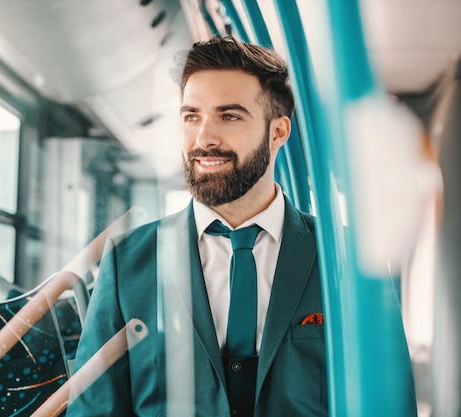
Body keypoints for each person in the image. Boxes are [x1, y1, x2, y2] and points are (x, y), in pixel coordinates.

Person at [66, 35, 322, 416]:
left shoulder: (340, 257)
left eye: (229, 116)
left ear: (277, 132)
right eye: (192, 116)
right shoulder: (128, 263)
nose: (204, 138)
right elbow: (94, 409)